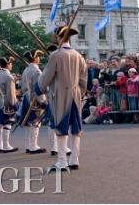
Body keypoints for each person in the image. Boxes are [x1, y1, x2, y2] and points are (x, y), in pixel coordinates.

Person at [34, 25, 87, 171]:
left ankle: (62, 161)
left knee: (60, 126)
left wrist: (38, 89)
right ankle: (74, 159)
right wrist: (78, 92)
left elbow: (46, 78)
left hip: (59, 95)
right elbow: (84, 80)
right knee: (75, 127)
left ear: (59, 37)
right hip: (75, 94)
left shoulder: (56, 55)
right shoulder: (79, 55)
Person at [21, 49, 47, 154]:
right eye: (38, 57)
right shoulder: (37, 71)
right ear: (35, 58)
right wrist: (43, 101)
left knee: (29, 123)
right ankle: (33, 146)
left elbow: (23, 87)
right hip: (35, 99)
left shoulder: (25, 70)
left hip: (26, 98)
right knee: (35, 123)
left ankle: (28, 145)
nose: (39, 58)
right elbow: (38, 88)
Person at [0, 56, 19, 153]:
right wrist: (15, 105)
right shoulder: (9, 76)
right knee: (7, 123)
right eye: (11, 63)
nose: (11, 65)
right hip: (6, 101)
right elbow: (11, 94)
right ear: (7, 64)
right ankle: (6, 145)